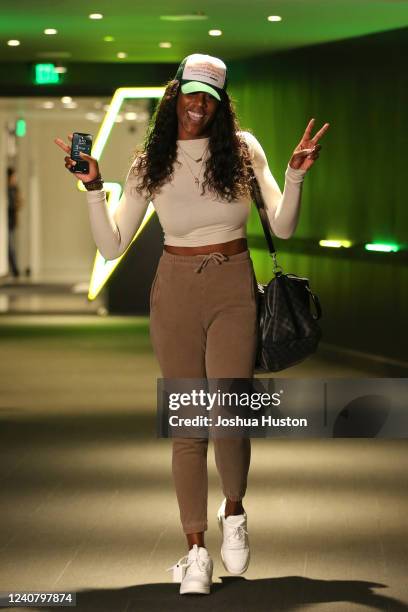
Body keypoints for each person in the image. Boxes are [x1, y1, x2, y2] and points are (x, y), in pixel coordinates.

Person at [55, 53, 329, 596]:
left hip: (232, 284)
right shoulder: (147, 162)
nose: (198, 105)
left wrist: (294, 175)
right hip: (174, 288)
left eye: (210, 96)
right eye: (191, 93)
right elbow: (111, 244)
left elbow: (284, 225)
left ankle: (234, 511)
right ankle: (196, 551)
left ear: (221, 102)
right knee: (187, 423)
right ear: (174, 93)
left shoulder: (244, 150)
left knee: (230, 410)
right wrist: (93, 188)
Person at [7, 167, 22, 278]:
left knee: (10, 245)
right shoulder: (6, 189)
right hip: (6, 221)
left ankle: (14, 269)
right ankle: (14, 269)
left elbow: (19, 202)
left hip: (11, 221)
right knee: (10, 245)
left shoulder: (15, 189)